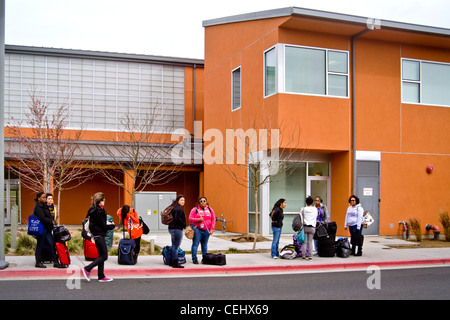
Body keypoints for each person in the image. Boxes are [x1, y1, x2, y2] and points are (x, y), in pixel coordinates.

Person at [82, 192, 115, 282]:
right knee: (104, 256)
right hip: (99, 235)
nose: (105, 202)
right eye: (104, 200)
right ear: (100, 201)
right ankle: (87, 268)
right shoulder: (99, 211)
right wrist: (112, 226)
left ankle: (101, 276)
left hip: (95, 234)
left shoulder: (92, 209)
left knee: (101, 255)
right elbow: (103, 225)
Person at [33, 192, 64, 268]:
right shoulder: (38, 207)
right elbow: (42, 218)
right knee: (40, 244)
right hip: (42, 229)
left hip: (47, 228)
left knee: (52, 244)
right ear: (38, 198)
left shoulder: (44, 206)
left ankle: (55, 262)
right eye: (43, 198)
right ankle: (38, 262)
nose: (44, 199)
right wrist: (50, 221)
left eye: (45, 198)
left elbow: (49, 215)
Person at [189, 196, 216, 264]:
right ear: (199, 202)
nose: (203, 202)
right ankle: (194, 258)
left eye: (204, 201)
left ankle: (205, 258)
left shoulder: (210, 209)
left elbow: (213, 220)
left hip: (206, 229)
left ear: (206, 202)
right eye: (201, 201)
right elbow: (190, 218)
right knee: (195, 244)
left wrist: (212, 229)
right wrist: (198, 219)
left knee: (204, 244)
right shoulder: (195, 209)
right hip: (197, 229)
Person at [168, 195, 187, 268]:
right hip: (176, 229)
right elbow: (177, 219)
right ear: (178, 201)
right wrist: (184, 225)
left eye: (184, 200)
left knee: (174, 246)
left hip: (172, 228)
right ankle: (175, 263)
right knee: (176, 246)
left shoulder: (174, 207)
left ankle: (172, 261)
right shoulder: (178, 209)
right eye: (181, 200)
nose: (183, 202)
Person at [300, 196, 317, 260]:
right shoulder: (315, 209)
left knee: (304, 242)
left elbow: (300, 216)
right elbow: (316, 216)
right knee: (310, 242)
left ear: (306, 202)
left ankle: (303, 255)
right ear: (312, 202)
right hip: (312, 227)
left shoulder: (303, 209)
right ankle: (310, 255)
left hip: (305, 226)